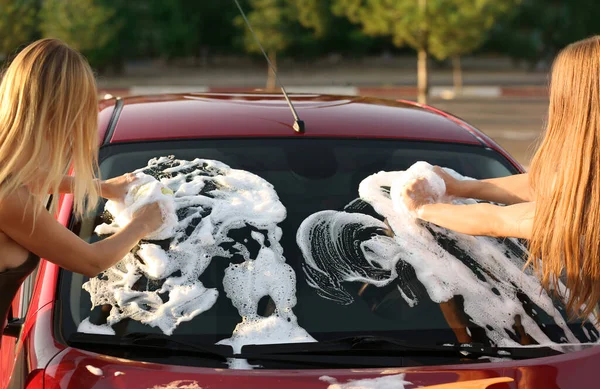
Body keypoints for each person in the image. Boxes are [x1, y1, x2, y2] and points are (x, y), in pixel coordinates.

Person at [401, 36, 600, 319]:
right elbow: (543, 185)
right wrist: (461, 187)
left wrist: (425, 207)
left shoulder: (582, 217)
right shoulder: (585, 192)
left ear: (574, 106)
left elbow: (495, 222)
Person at [0, 39, 164, 334]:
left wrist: (102, 187)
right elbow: (91, 262)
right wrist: (144, 222)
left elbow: (28, 177)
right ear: (63, 112)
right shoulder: (9, 200)